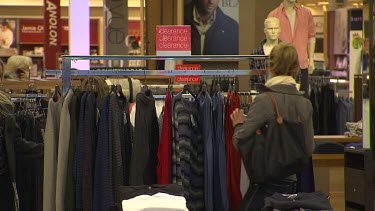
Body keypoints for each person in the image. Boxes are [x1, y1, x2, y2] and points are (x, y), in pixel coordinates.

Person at [230, 43, 314, 210]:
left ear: (270, 65)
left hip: (266, 185)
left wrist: (238, 124)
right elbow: (309, 148)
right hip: (293, 185)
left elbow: (239, 141)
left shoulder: (264, 100)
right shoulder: (305, 104)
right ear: (296, 68)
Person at [0, 91, 44, 211]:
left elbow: (17, 144)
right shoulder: (6, 114)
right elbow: (18, 145)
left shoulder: (6, 115)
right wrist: (45, 150)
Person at [268, 0, 316, 97]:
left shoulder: (306, 13)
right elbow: (271, 42)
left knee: (302, 100)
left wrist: (311, 60)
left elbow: (311, 36)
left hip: (301, 65)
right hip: (282, 66)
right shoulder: (274, 14)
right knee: (282, 99)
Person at [249, 17, 282, 91]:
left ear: (280, 29)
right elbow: (253, 80)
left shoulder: (286, 51)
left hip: (283, 95)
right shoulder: (256, 53)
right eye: (270, 29)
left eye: (276, 28)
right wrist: (255, 99)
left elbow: (296, 77)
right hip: (263, 95)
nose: (273, 31)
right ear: (265, 30)